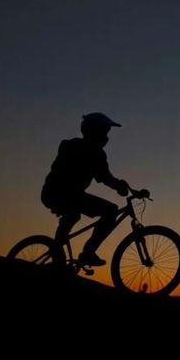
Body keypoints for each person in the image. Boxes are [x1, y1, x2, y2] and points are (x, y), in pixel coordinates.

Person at [40, 113, 141, 267]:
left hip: (72, 195)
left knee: (74, 215)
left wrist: (120, 185)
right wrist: (117, 185)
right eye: (104, 132)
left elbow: (104, 176)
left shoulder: (97, 154)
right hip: (56, 192)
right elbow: (100, 175)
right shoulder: (72, 146)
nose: (106, 137)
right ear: (93, 131)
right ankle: (83, 253)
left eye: (107, 133)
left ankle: (59, 253)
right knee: (108, 211)